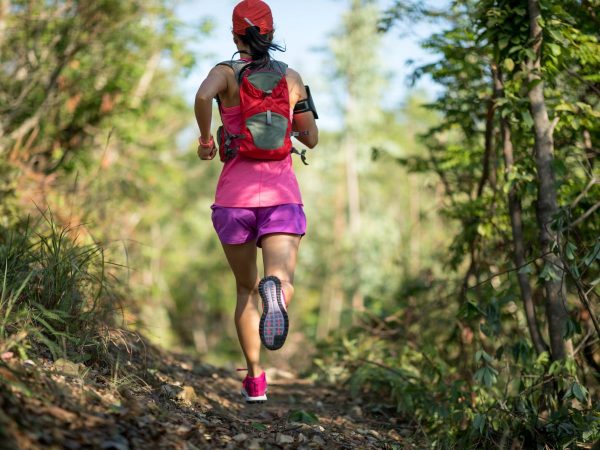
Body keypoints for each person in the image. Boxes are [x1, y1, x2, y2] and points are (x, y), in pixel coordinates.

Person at [194, 0, 318, 403]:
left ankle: (255, 380)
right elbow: (311, 137)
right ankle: (277, 294)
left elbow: (201, 96)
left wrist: (207, 139)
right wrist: (286, 129)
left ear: (235, 36)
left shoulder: (225, 73)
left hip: (233, 199)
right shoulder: (292, 77)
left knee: (245, 290)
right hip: (281, 195)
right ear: (271, 34)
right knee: (280, 281)